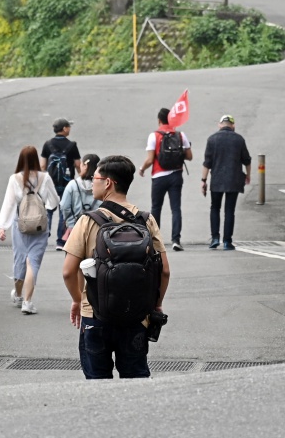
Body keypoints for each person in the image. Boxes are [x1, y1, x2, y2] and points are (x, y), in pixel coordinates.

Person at [61, 154, 171, 379]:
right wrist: (156, 305)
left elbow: (68, 271)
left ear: (108, 182)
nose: (92, 182)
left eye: (95, 177)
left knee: (98, 383)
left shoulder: (87, 221)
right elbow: (165, 270)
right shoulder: (146, 220)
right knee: (135, 382)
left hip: (95, 315)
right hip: (137, 315)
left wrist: (77, 300)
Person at [0, 145, 61, 314]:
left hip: (21, 226)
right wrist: (43, 206)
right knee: (33, 263)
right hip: (39, 227)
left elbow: (9, 204)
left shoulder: (14, 179)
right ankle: (27, 301)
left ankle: (18, 295)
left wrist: (3, 226)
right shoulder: (45, 178)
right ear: (36, 160)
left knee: (19, 260)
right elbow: (54, 202)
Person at [140, 108, 193, 251]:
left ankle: (155, 241)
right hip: (176, 175)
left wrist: (142, 169)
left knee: (156, 208)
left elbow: (150, 159)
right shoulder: (181, 135)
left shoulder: (154, 136)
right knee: (176, 208)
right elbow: (189, 156)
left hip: (159, 177)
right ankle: (176, 240)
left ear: (159, 120)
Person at [201, 114, 251, 250]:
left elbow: (207, 163)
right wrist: (248, 175)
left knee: (215, 208)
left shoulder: (212, 139)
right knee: (230, 210)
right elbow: (247, 160)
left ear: (220, 125)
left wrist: (203, 180)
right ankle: (227, 241)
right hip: (234, 180)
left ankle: (215, 238)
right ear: (233, 125)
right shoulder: (239, 139)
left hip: (216, 180)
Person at [41, 118, 82, 248]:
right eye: (68, 127)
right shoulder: (72, 145)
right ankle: (61, 241)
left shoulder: (47, 144)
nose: (69, 129)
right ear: (64, 128)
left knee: (48, 209)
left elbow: (42, 166)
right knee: (64, 210)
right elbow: (77, 165)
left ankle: (43, 238)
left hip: (50, 183)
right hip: (67, 183)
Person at [60, 153, 101, 231]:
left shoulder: (73, 184)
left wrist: (70, 223)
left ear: (85, 166)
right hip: (97, 227)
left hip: (76, 227)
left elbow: (64, 206)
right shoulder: (102, 185)